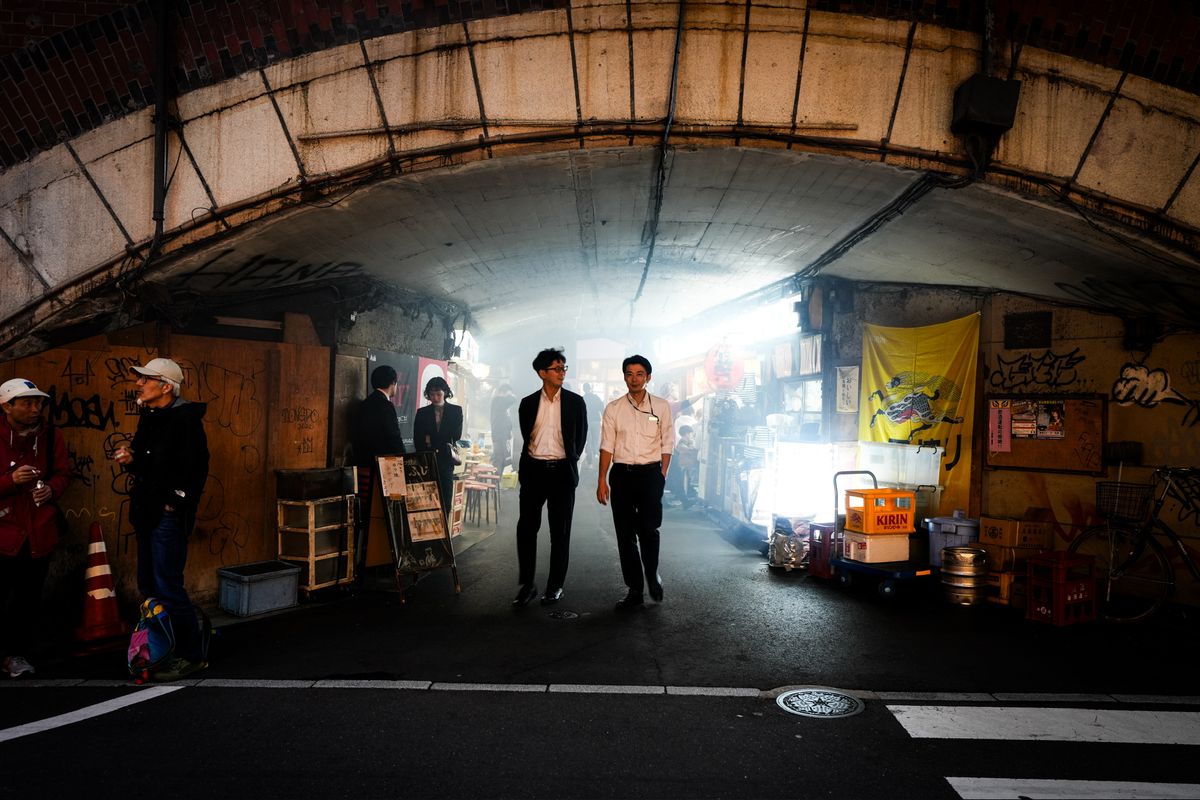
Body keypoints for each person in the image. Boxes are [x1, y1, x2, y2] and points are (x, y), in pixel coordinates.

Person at [113, 358, 209, 681]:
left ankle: (191, 656)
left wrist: (175, 502)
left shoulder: (185, 421)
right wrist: (131, 459)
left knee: (168, 587)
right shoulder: (150, 417)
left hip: (166, 516)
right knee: (149, 586)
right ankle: (158, 649)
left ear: (166, 386)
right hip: (145, 512)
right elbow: (148, 465)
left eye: (146, 379)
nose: (139, 383)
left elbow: (196, 469)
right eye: (139, 378)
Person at [0, 379, 70, 678]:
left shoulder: (52, 436)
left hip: (39, 534)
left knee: (27, 600)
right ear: (6, 406)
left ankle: (15, 655)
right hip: (4, 534)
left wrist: (51, 490)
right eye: (26, 403)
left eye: (38, 403)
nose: (34, 409)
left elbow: (64, 473)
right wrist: (9, 482)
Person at [512, 349, 588, 607]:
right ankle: (527, 585)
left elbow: (581, 436)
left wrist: (572, 458)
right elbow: (526, 435)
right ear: (542, 373)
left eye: (564, 368)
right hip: (533, 471)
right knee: (526, 529)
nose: (562, 372)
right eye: (557, 368)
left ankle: (555, 586)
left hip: (562, 474)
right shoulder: (528, 403)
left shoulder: (576, 402)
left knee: (560, 531)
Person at [597, 355, 673, 611]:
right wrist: (601, 479)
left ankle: (651, 575)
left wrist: (662, 474)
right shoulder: (614, 408)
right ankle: (635, 589)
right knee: (625, 535)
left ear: (648, 377)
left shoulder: (661, 407)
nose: (634, 379)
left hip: (651, 475)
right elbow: (607, 445)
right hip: (622, 475)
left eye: (640, 374)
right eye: (629, 374)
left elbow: (667, 443)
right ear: (624, 377)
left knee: (649, 530)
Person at [350, 365, 407, 578]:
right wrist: (403, 459)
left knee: (366, 516)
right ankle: (385, 560)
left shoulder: (364, 405)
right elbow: (393, 437)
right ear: (392, 383)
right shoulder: (385, 406)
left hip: (363, 467)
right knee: (387, 514)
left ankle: (364, 559)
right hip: (385, 469)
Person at [412, 376, 463, 512]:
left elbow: (455, 435)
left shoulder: (456, 411)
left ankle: (445, 531)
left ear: (445, 392)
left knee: (445, 501)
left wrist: (429, 439)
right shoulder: (422, 413)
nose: (435, 398)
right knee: (427, 500)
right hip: (427, 461)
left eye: (438, 394)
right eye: (432, 394)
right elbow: (418, 439)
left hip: (446, 460)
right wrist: (429, 441)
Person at [490, 384, 515, 473]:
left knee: (502, 461)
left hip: (502, 437)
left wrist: (509, 431)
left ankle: (496, 483)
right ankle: (495, 484)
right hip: (500, 437)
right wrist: (509, 394)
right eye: (508, 393)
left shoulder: (500, 404)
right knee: (499, 460)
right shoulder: (497, 401)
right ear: (502, 393)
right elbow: (512, 399)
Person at [582, 383, 604, 469]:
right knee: (595, 439)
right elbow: (601, 408)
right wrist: (603, 418)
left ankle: (590, 461)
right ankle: (595, 454)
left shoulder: (583, 398)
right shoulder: (595, 397)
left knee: (588, 441)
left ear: (584, 389)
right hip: (596, 421)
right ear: (590, 388)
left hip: (587, 422)